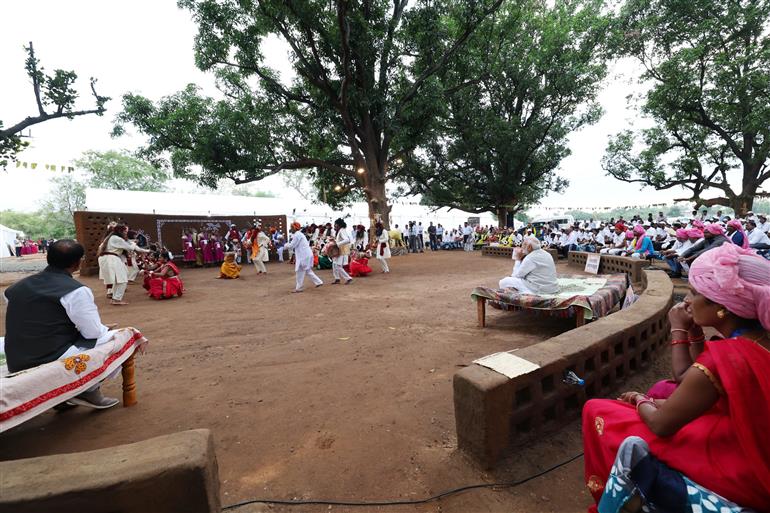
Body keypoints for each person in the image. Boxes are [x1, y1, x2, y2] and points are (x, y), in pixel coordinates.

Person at [582, 243, 770, 513]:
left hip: (738, 465)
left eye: (696, 293)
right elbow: (693, 377)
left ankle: (621, 501)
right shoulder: (755, 337)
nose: (688, 300)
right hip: (747, 443)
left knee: (597, 410)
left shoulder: (729, 354)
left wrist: (638, 398)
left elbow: (661, 423)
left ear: (723, 307)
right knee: (660, 392)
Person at [4, 240, 130, 408]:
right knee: (119, 337)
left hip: (16, 358)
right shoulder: (76, 291)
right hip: (49, 355)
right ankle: (90, 389)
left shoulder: (14, 289)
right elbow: (93, 333)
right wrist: (104, 329)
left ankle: (64, 397)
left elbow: (38, 319)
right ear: (77, 262)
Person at [97, 224, 149, 305]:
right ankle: (116, 299)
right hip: (111, 258)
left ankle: (114, 298)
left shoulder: (111, 238)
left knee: (118, 279)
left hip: (108, 258)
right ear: (119, 231)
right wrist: (134, 243)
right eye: (125, 231)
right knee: (123, 279)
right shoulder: (116, 238)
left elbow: (131, 245)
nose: (126, 233)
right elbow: (130, 247)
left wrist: (146, 251)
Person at [286, 223, 323, 292]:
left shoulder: (297, 235)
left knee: (300, 271)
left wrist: (285, 245)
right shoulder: (298, 234)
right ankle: (319, 282)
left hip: (304, 256)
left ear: (295, 228)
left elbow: (292, 245)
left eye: (291, 227)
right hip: (305, 255)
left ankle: (299, 288)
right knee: (307, 270)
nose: (290, 229)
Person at [332, 218, 354, 285]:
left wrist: (337, 244)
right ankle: (337, 278)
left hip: (342, 250)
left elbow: (347, 240)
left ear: (338, 224)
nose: (334, 225)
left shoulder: (342, 230)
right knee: (334, 264)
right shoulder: (340, 230)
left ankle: (348, 278)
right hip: (339, 250)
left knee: (338, 266)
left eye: (335, 224)